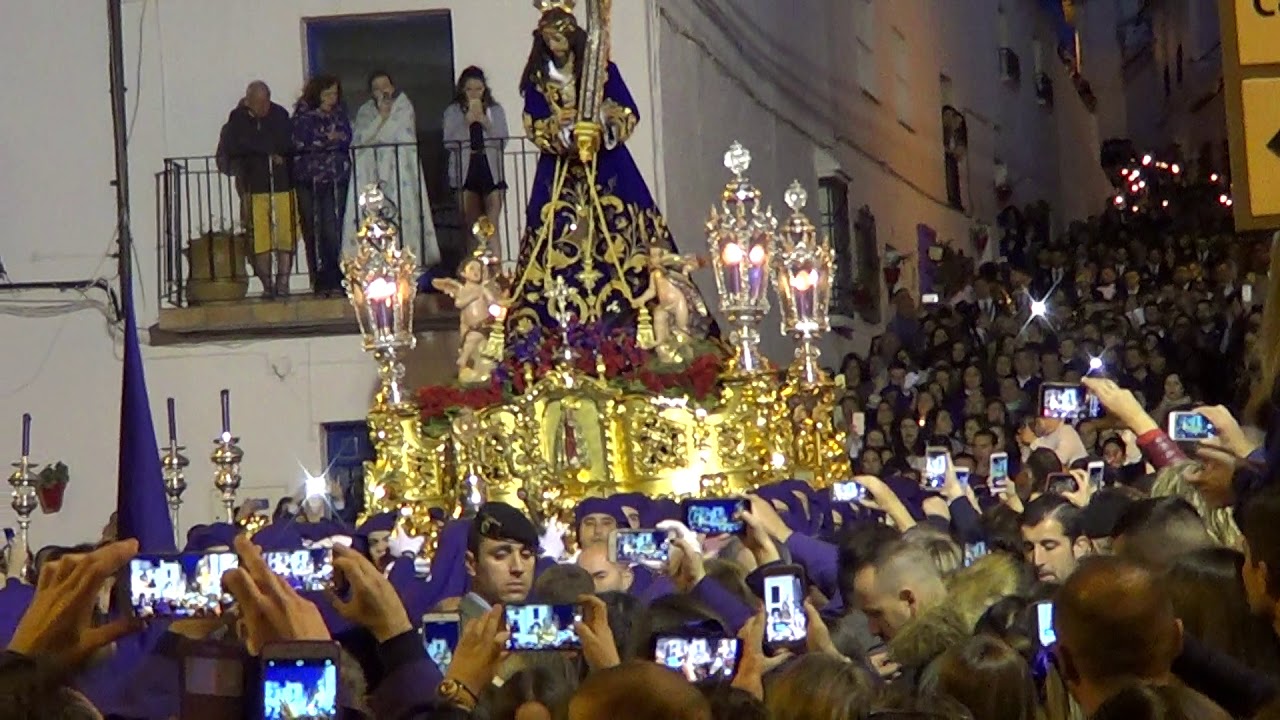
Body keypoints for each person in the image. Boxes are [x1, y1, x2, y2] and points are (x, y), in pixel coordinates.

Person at [506, 3, 699, 338]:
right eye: (549, 40)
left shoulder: (602, 70)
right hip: (560, 172)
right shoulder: (540, 80)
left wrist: (600, 124)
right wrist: (561, 129)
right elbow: (534, 122)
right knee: (550, 238)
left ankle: (647, 327)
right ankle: (549, 333)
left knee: (627, 235)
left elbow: (627, 111)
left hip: (607, 166)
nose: (555, 46)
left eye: (559, 38)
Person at [346, 70, 440, 267]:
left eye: (385, 86)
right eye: (377, 88)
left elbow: (402, 136)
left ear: (392, 87)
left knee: (402, 214)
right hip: (371, 172)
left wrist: (382, 126)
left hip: (399, 172)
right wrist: (381, 117)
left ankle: (407, 259)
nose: (382, 91)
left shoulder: (404, 107)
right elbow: (361, 140)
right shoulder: (365, 112)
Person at [220, 80, 298, 298]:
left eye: (265, 102)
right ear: (248, 101)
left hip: (282, 184)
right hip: (253, 186)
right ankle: (267, 284)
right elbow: (237, 145)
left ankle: (283, 282)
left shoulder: (279, 115)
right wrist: (266, 151)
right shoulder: (238, 119)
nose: (262, 107)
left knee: (285, 236)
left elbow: (285, 143)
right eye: (256, 102)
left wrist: (263, 148)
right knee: (258, 239)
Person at [291, 74, 352, 296]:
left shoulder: (340, 114)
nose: (331, 98)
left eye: (334, 94)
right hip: (310, 180)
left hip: (335, 178)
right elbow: (302, 141)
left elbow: (346, 137)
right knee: (313, 229)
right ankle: (319, 279)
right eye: (327, 94)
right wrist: (328, 138)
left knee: (333, 229)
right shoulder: (302, 116)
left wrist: (329, 138)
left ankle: (336, 276)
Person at [443, 66, 509, 256]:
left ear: (484, 89)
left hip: (490, 169)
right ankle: (474, 267)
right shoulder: (453, 111)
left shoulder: (495, 110)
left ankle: (496, 268)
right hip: (466, 170)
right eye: (469, 89)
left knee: (492, 224)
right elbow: (449, 141)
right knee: (471, 226)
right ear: (462, 90)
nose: (474, 94)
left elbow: (502, 140)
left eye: (478, 89)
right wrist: (467, 122)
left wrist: (485, 122)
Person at [460, 502, 538, 627]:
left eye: (526, 555)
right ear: (471, 564)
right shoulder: (460, 631)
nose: (518, 568)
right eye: (500, 556)